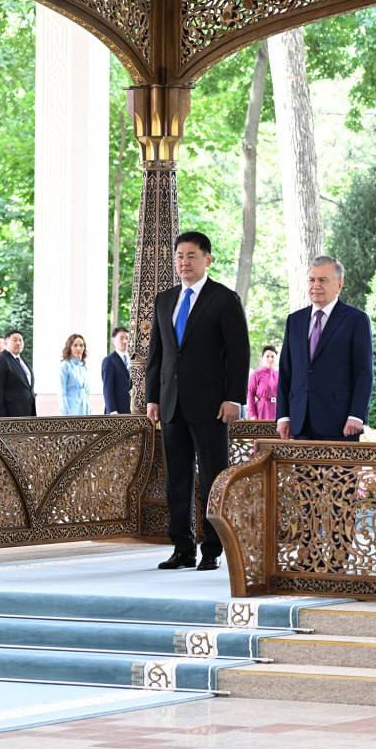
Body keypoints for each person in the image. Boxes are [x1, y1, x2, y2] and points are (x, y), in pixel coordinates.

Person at [145, 231, 249, 572]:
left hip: (211, 405)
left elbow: (238, 354)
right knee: (177, 478)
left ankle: (213, 549)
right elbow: (157, 354)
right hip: (171, 404)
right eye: (179, 256)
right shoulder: (165, 300)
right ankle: (182, 547)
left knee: (212, 477)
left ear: (208, 259)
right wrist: (152, 397)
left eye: (191, 255)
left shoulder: (224, 299)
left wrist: (233, 397)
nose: (184, 262)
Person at [277, 256, 373, 441]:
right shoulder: (294, 321)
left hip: (341, 424)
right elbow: (286, 372)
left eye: (323, 280)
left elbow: (364, 373)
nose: (316, 285)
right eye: (312, 280)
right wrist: (283, 416)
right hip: (300, 423)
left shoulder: (356, 320)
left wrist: (356, 415)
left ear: (339, 284)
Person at [0, 329, 36, 417]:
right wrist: (0, 419)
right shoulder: (0, 360)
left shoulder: (23, 361)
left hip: (27, 413)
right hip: (10, 415)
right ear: (6, 343)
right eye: (15, 340)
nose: (18, 343)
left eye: (20, 340)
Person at [101, 326, 131, 414]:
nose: (125, 341)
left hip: (130, 410)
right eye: (121, 338)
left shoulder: (133, 360)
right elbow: (107, 389)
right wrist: (112, 411)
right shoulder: (109, 361)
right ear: (113, 340)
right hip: (116, 411)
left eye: (127, 338)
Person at [59, 333, 91, 415]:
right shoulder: (65, 366)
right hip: (71, 410)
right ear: (69, 347)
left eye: (81, 345)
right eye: (75, 345)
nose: (79, 348)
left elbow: (87, 391)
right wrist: (66, 414)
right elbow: (62, 392)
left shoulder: (83, 366)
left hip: (84, 409)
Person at [247, 345, 280, 420]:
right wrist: (253, 415)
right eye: (267, 356)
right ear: (262, 358)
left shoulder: (280, 375)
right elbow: (250, 395)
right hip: (261, 411)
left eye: (272, 356)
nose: (270, 359)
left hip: (277, 410)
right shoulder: (256, 375)